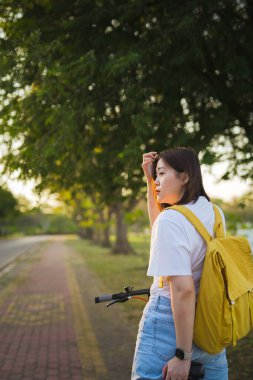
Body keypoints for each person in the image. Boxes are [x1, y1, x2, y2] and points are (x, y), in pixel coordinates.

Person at [131, 147, 228, 380]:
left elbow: (183, 290)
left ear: (185, 177)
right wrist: (149, 181)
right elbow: (160, 231)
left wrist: (183, 354)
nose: (157, 181)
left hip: (169, 323)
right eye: (156, 175)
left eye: (162, 174)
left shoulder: (172, 219)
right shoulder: (215, 213)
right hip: (210, 320)